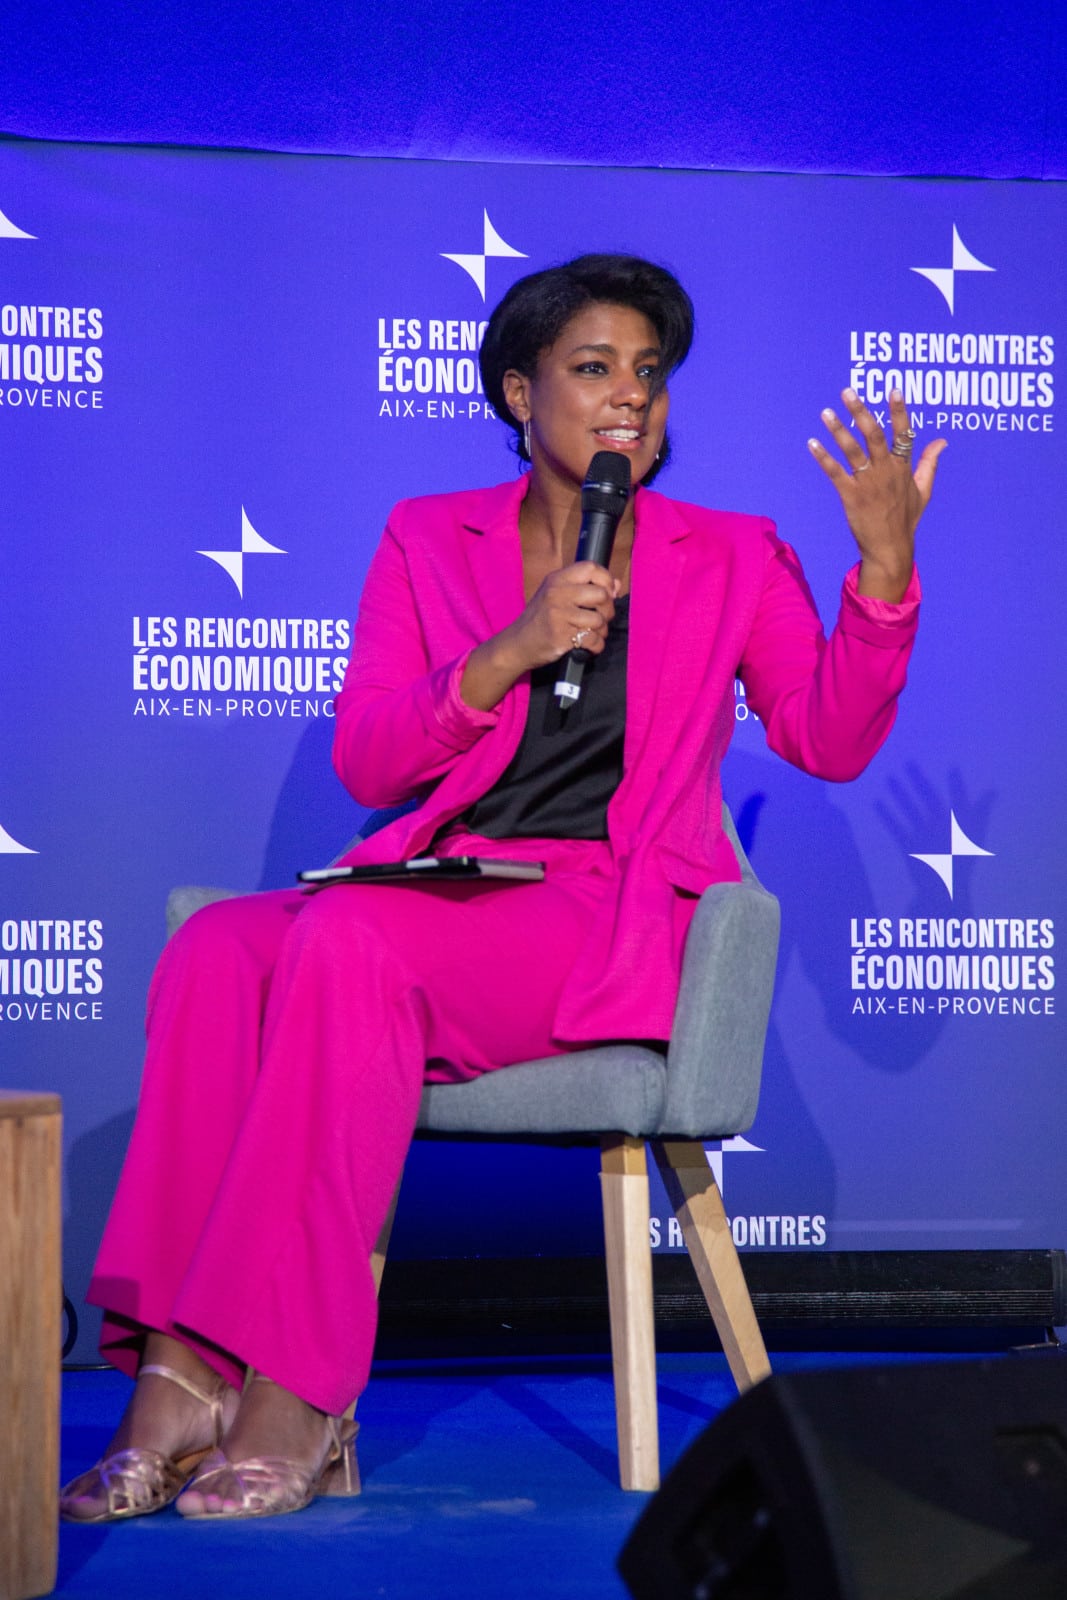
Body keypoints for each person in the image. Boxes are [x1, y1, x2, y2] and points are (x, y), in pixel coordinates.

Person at [60, 254, 944, 1524]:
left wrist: (882, 576)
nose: (628, 395)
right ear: (519, 395)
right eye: (592, 368)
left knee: (349, 940)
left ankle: (294, 1387)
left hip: (607, 911)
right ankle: (180, 1373)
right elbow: (370, 759)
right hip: (449, 883)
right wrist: (508, 650)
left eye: (648, 372)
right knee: (217, 949)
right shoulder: (429, 536)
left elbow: (827, 734)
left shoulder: (731, 553)